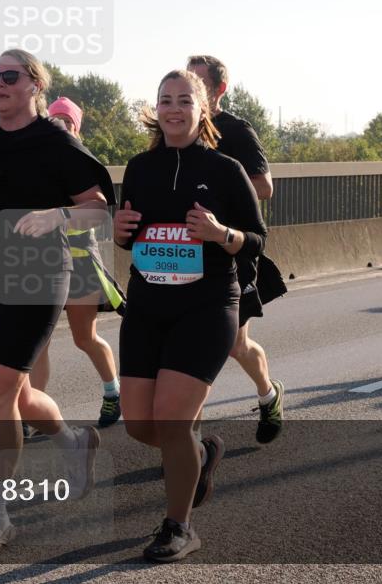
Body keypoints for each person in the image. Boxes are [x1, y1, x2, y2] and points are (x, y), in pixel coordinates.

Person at [0, 49, 116, 554]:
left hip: (39, 272)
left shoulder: (55, 141)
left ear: (35, 84)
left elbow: (99, 209)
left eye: (9, 76)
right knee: (11, 394)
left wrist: (59, 215)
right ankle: (74, 442)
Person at [114, 69, 267, 561]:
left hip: (206, 307)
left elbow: (257, 240)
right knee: (140, 425)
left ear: (202, 110)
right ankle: (200, 455)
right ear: (155, 109)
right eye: (166, 100)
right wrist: (120, 230)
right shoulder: (139, 167)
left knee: (173, 421)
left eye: (184, 100)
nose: (174, 109)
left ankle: (178, 526)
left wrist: (221, 234)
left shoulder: (225, 169)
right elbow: (130, 237)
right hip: (147, 305)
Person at [186, 55, 284, 444]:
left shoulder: (236, 131)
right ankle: (187, 444)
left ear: (220, 89)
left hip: (232, 250)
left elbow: (265, 187)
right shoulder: (180, 129)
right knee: (192, 345)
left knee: (234, 345)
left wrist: (221, 193)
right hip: (187, 252)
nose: (191, 88)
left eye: (199, 82)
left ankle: (268, 394)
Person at [28, 97, 125, 431]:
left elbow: (94, 213)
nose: (60, 125)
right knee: (39, 343)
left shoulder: (81, 162)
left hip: (80, 263)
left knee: (84, 338)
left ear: (77, 128)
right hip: (44, 263)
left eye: (67, 121)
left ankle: (113, 391)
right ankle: (33, 411)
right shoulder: (39, 160)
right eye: (54, 119)